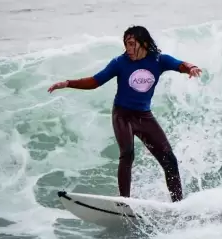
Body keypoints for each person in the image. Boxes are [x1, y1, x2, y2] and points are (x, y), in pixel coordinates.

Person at [47, 25, 202, 202]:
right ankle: (124, 202)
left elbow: (180, 64)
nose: (127, 49)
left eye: (131, 44)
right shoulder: (120, 63)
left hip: (144, 116)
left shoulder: (159, 60)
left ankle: (177, 204)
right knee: (127, 154)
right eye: (126, 44)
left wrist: (191, 67)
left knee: (170, 160)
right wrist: (67, 83)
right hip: (122, 115)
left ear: (143, 43)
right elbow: (95, 81)